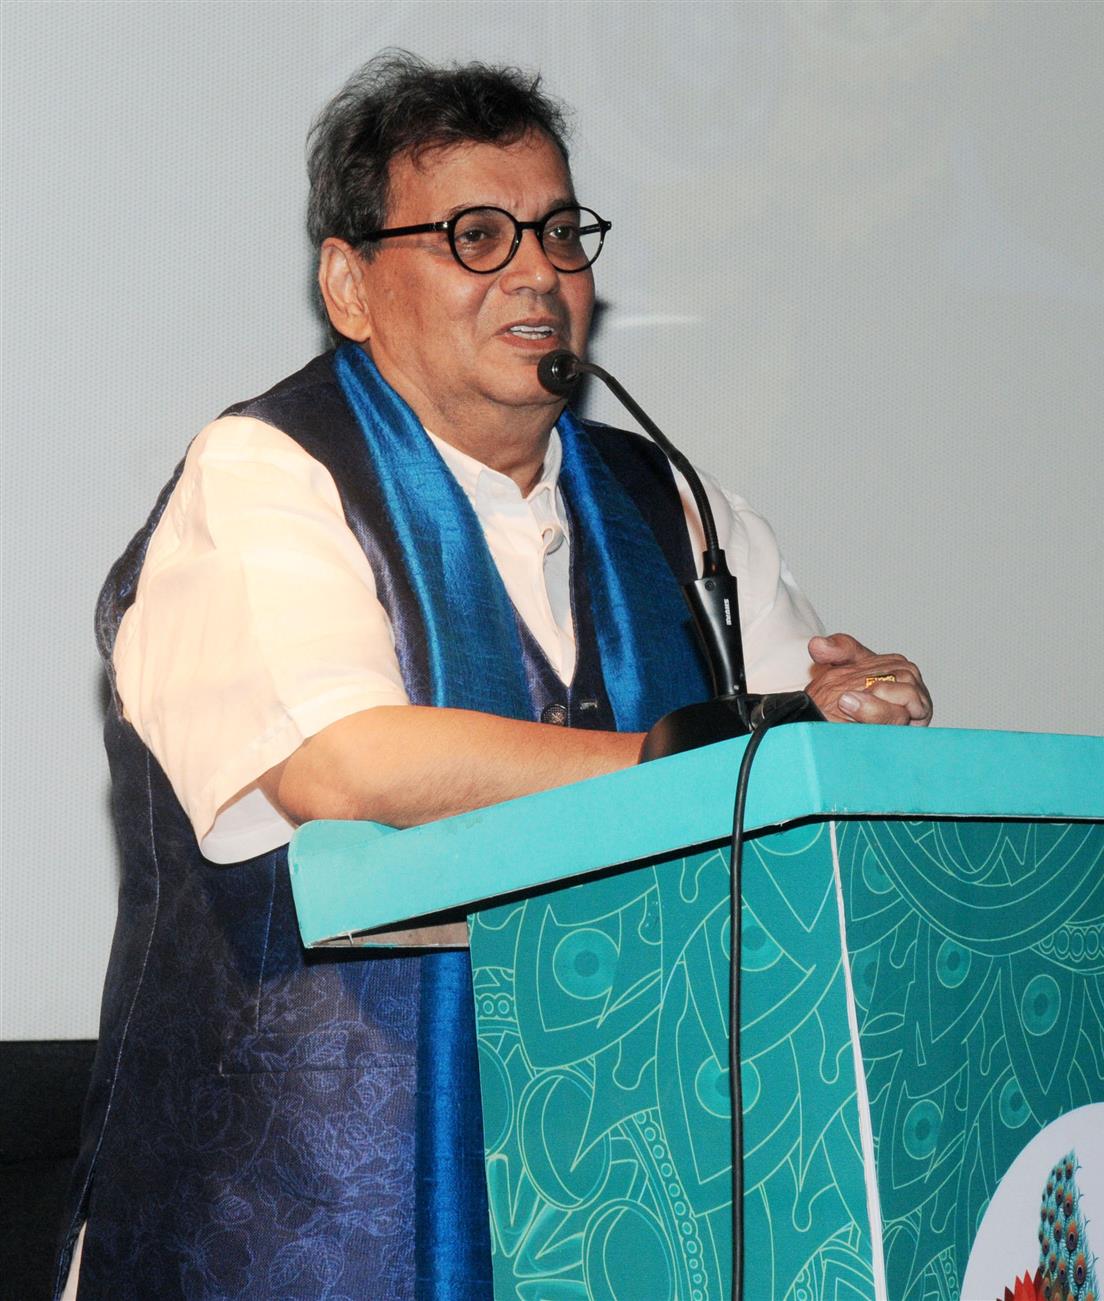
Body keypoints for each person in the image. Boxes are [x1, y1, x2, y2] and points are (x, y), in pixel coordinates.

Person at [56, 52, 930, 1299]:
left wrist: (868, 714)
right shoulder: (268, 473)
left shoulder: (665, 498)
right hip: (302, 1221)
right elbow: (346, 760)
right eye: (477, 234)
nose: (538, 273)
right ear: (350, 284)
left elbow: (806, 764)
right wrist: (679, 772)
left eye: (561, 232)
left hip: (627, 1203)